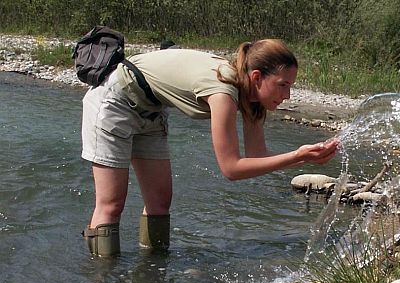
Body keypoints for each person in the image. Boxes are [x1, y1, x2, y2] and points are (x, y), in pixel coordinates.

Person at [80, 39, 339, 257]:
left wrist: (306, 158)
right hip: (114, 101)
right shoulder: (224, 92)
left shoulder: (254, 100)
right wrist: (297, 155)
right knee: (112, 204)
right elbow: (231, 169)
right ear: (257, 77)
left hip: (151, 110)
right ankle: (103, 282)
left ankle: (152, 273)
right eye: (283, 85)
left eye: (290, 86)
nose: (288, 96)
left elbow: (257, 158)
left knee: (159, 202)